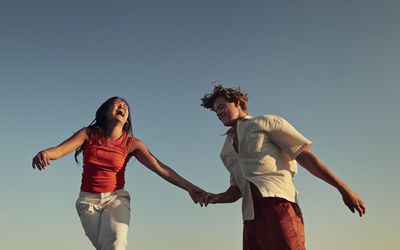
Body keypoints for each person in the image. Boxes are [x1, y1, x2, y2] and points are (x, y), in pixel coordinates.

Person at [200, 84, 366, 250]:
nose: (219, 113)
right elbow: (237, 188)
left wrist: (342, 187)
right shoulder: (225, 150)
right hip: (250, 218)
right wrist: (217, 197)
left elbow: (304, 157)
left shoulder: (265, 122)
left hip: (279, 207)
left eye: (221, 106)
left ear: (236, 103)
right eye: (216, 111)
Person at [32, 96, 205, 250]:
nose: (122, 106)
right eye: (116, 104)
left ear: (127, 119)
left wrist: (189, 187)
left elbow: (160, 168)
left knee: (116, 242)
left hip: (116, 198)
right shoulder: (88, 134)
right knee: (105, 246)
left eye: (125, 106)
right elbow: (61, 150)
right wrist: (45, 153)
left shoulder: (132, 143)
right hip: (87, 201)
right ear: (105, 112)